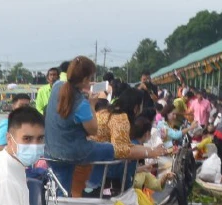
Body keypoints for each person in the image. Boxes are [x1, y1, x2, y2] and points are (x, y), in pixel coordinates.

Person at [44, 56, 164, 196]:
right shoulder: (84, 105)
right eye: (89, 79)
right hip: (74, 153)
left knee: (62, 187)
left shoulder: (57, 86)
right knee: (109, 149)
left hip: (50, 152)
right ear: (137, 107)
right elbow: (93, 130)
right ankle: (96, 187)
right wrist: (92, 104)